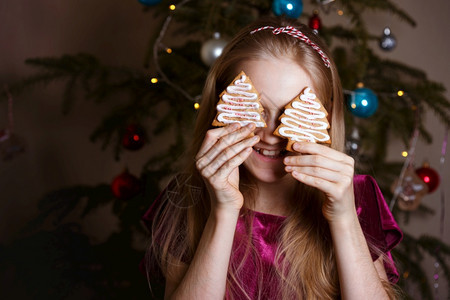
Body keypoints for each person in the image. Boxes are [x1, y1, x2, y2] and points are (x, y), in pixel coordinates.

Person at [142, 16, 403, 299]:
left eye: (293, 112)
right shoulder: (188, 198)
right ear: (223, 105)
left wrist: (343, 218)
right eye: (257, 110)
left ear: (324, 117)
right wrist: (224, 211)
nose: (272, 133)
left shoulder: (356, 199)